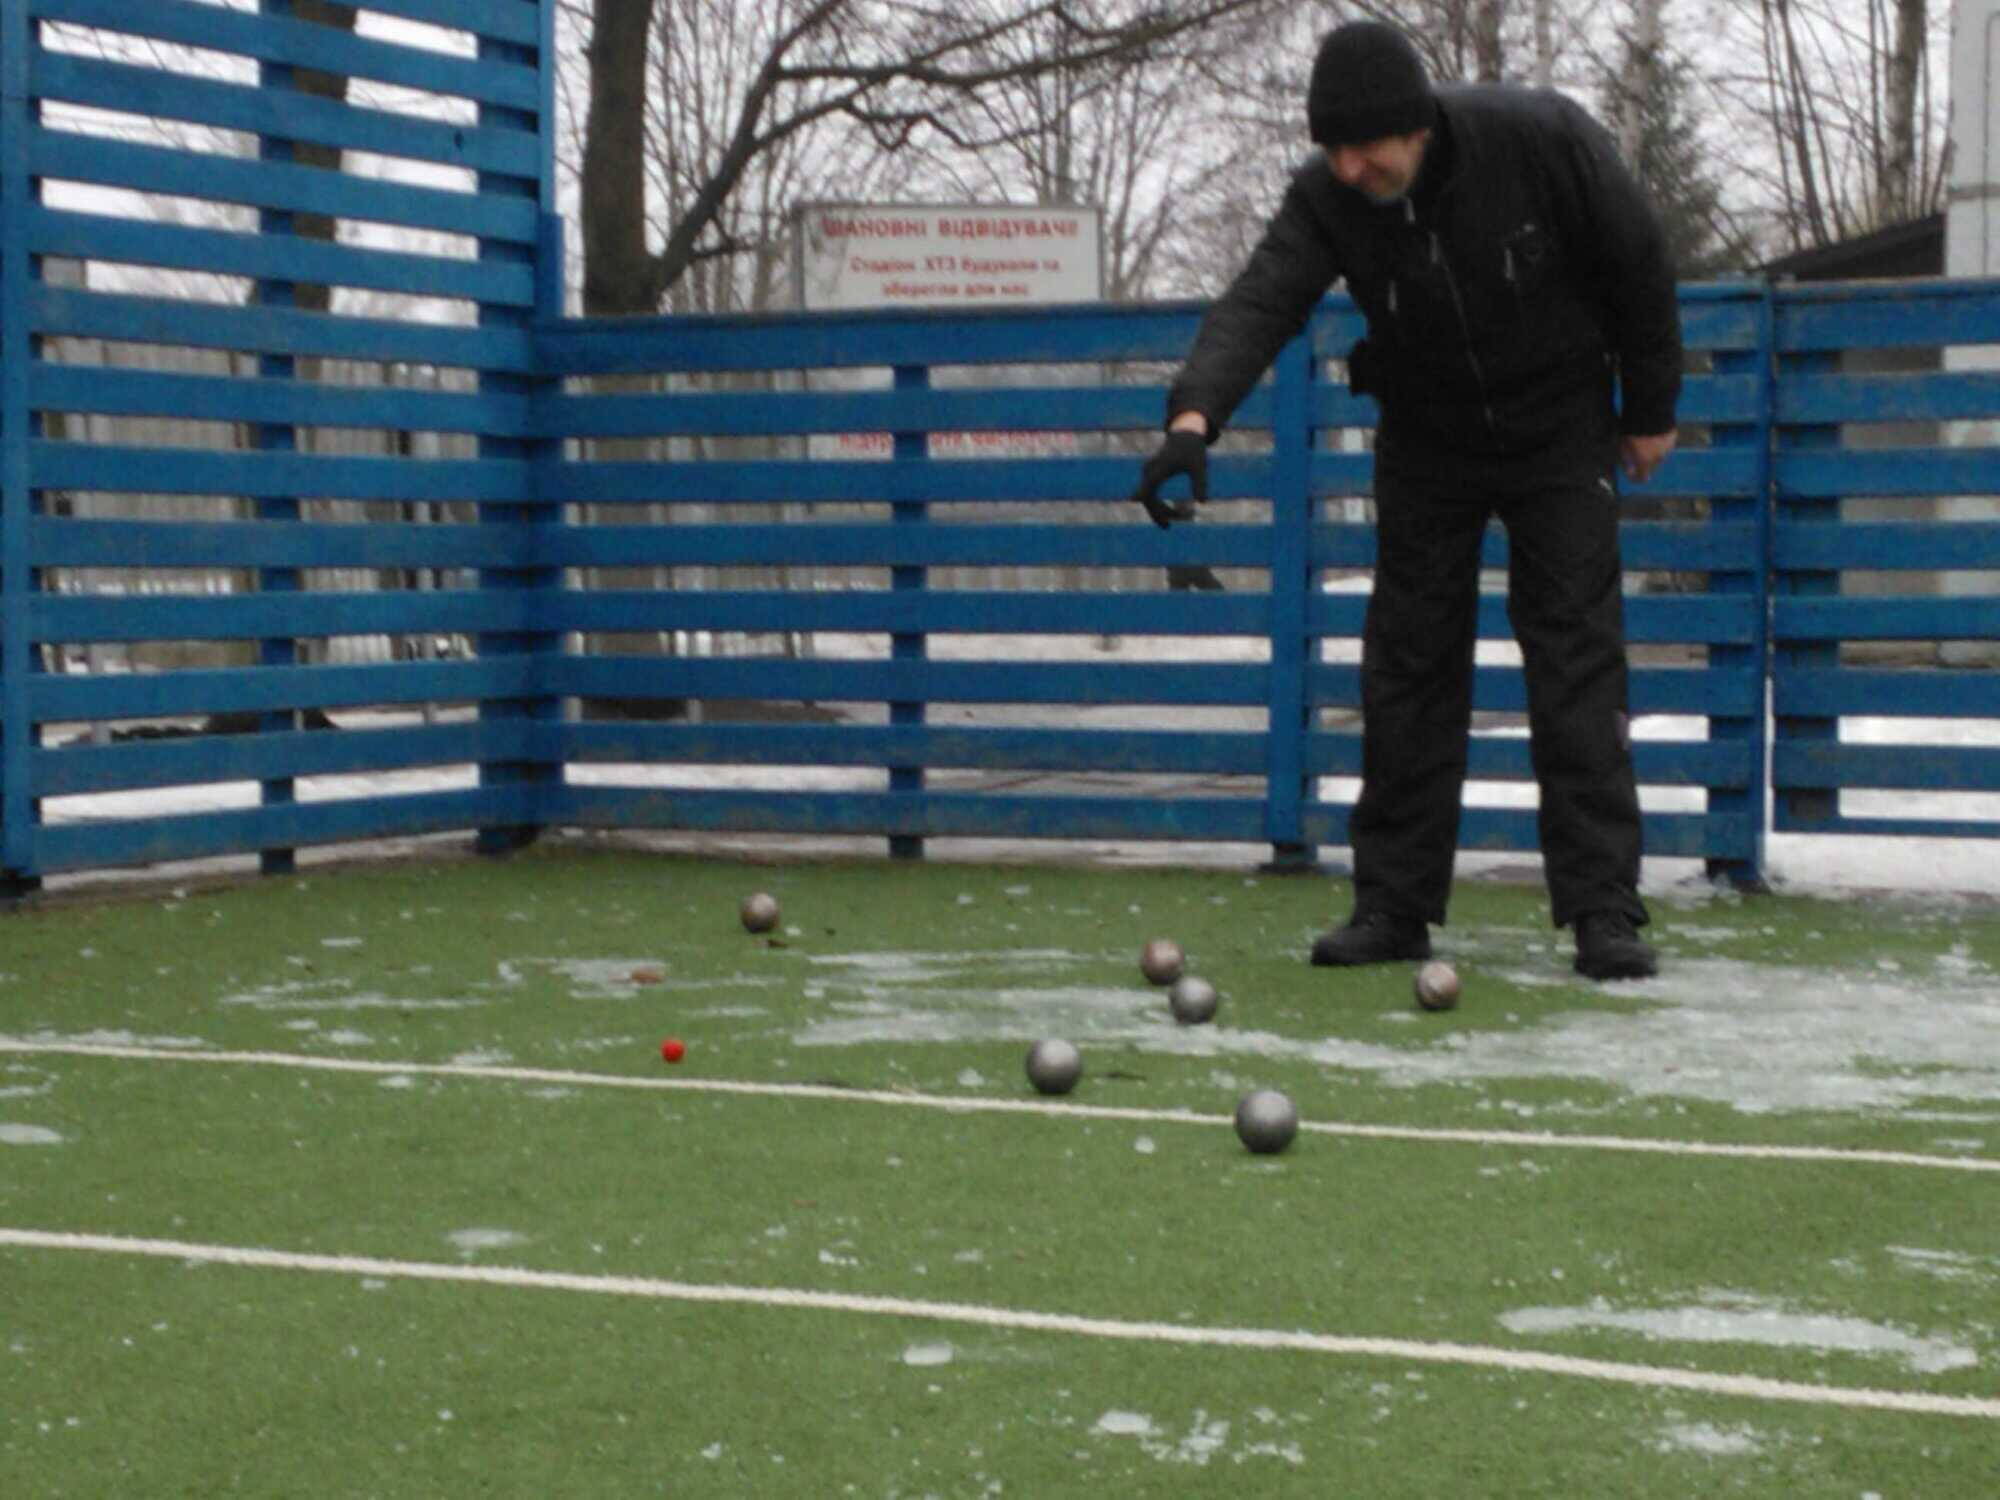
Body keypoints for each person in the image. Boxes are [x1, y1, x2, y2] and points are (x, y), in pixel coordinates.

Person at [1131, 20, 1680, 981]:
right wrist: (1192, 420)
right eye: (1332, 150)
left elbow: (1638, 259)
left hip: (1558, 423)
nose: (1349, 168)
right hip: (1428, 434)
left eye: (1364, 147)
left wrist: (1651, 408)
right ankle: (1393, 904)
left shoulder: (1540, 139)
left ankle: (1603, 910)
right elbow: (1262, 300)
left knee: (1575, 659)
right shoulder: (1329, 197)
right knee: (1408, 664)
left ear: (1416, 124)